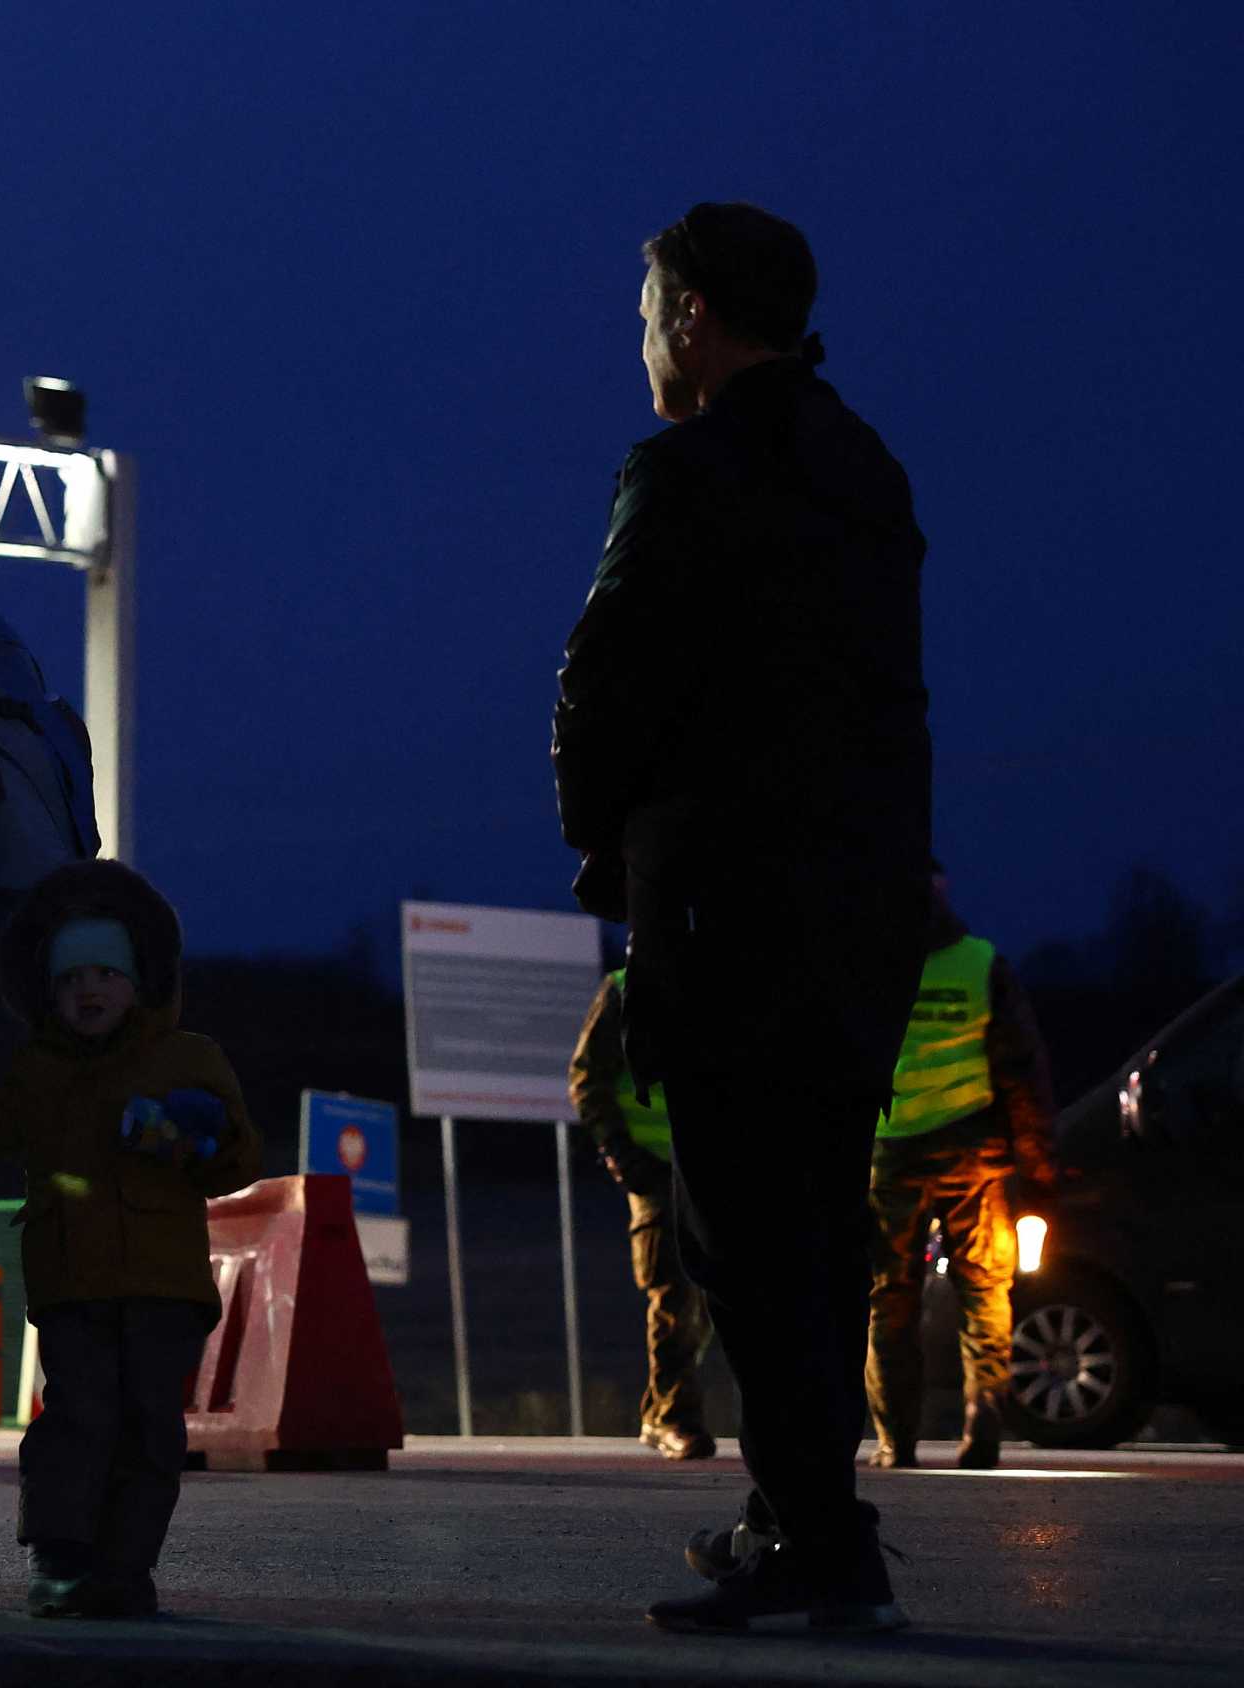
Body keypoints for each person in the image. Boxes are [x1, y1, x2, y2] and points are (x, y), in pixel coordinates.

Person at [552, 203, 932, 1634]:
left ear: (698, 317)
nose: (644, 336)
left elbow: (606, 685)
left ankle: (821, 1547)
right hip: (864, 906)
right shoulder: (866, 469)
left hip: (725, 904)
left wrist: (608, 844)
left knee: (738, 1228)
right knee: (823, 1218)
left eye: (650, 310)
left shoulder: (686, 469)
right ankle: (797, 1512)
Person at [0, 859, 261, 1619]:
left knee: (149, 1435)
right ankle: (62, 1563)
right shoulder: (38, 1071)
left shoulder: (189, 1058)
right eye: (72, 980)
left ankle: (125, 1572)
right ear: (48, 992)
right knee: (77, 1421)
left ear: (140, 980)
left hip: (165, 1294)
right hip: (73, 1288)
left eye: (106, 973)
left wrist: (193, 1138)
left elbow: (238, 1161)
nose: (89, 990)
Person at [866, 869, 1057, 1470]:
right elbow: (1021, 1070)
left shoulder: (865, 962)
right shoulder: (982, 963)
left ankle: (897, 1439)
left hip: (890, 1154)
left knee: (889, 1298)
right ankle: (983, 1415)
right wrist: (1038, 1166)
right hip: (974, 1153)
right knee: (984, 1288)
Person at [569, 967, 715, 1460]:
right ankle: (677, 1418)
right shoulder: (626, 987)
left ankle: (659, 1413)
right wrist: (621, 1155)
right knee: (673, 1291)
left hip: (718, 1168)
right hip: (654, 1170)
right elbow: (587, 1076)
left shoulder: (736, 980)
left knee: (711, 1299)